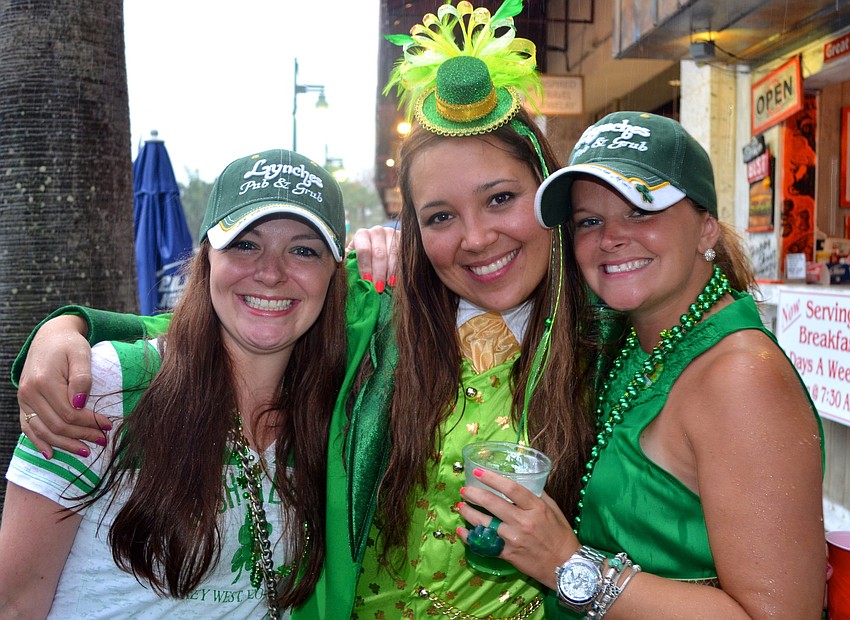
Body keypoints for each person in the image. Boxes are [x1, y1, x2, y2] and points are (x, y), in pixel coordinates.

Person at [10, 1, 602, 617]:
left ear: (548, 192)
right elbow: (231, 325)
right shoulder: (380, 316)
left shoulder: (609, 344)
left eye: (500, 198)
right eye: (440, 216)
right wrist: (69, 329)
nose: (475, 238)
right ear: (415, 233)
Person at [455, 111, 827, 618]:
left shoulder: (740, 378)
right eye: (589, 221)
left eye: (640, 211)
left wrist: (566, 565)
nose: (610, 238)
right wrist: (387, 248)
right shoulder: (635, 340)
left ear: (706, 229)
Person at [0, 148, 353, 619]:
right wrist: (63, 326)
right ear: (207, 259)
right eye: (245, 244)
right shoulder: (108, 385)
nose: (271, 273)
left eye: (304, 250)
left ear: (335, 274)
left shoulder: (331, 412)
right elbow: (13, 601)